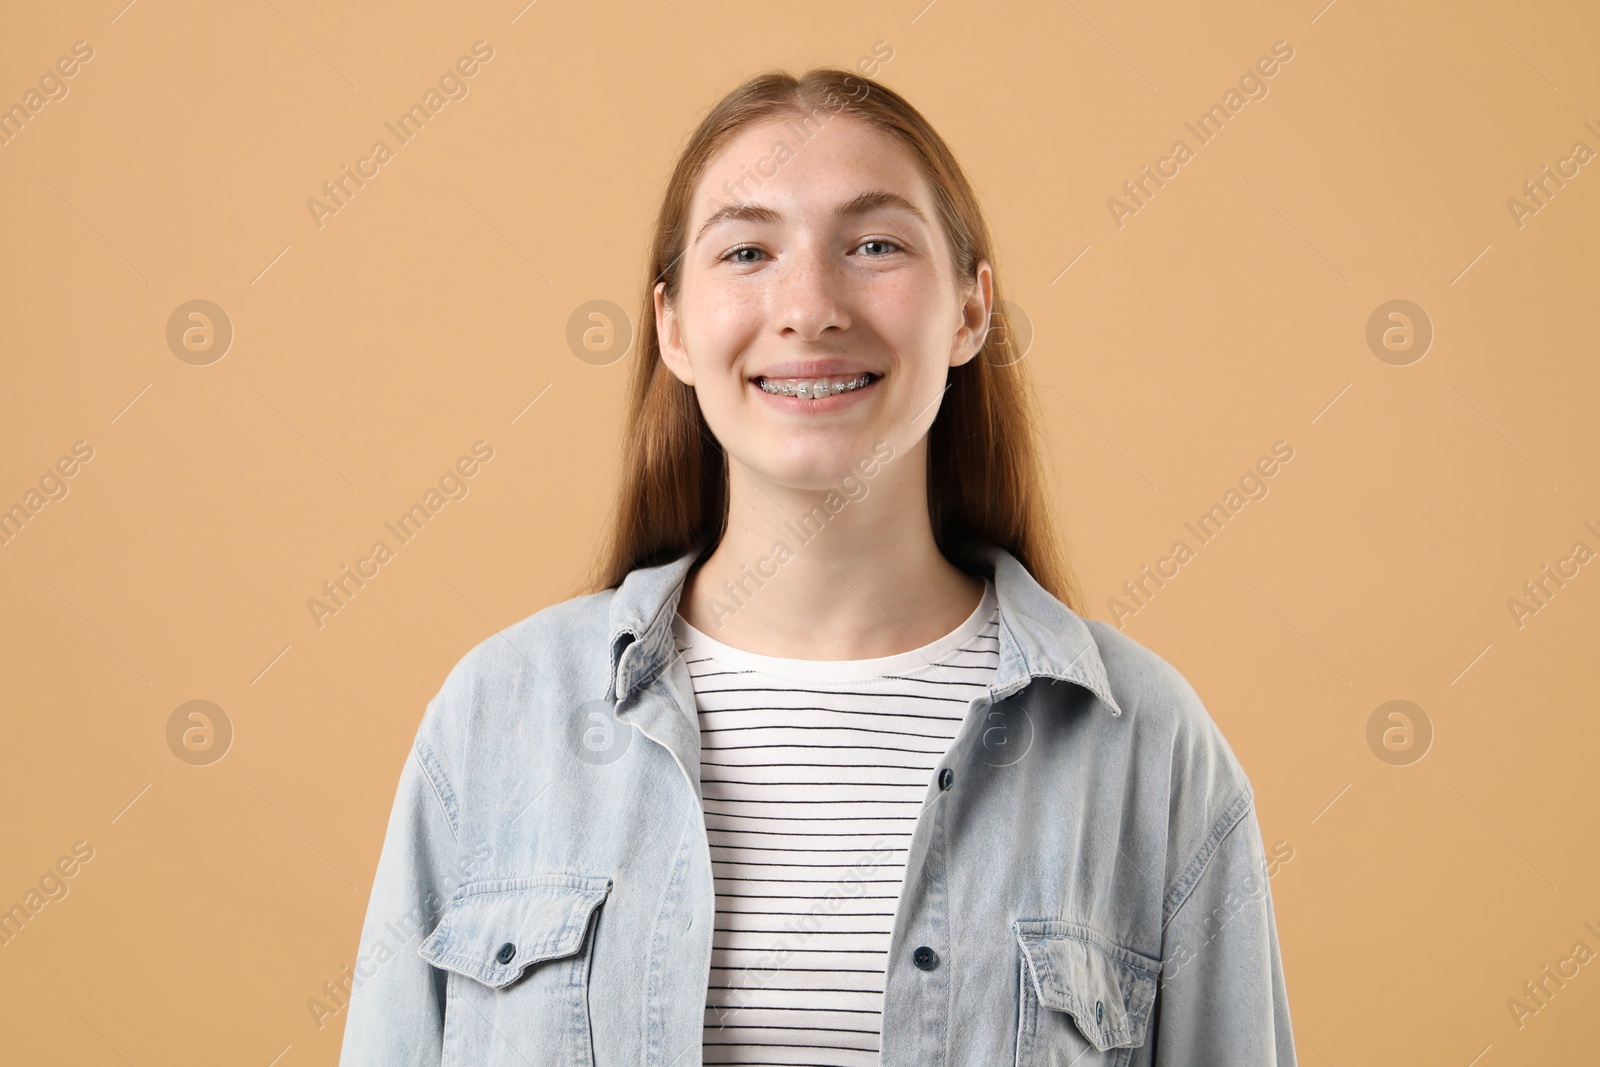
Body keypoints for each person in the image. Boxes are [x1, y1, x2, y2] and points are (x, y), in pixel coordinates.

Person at [338, 67, 1297, 1066]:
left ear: (971, 310)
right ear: (671, 326)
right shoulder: (498, 717)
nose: (809, 306)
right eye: (747, 250)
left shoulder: (1146, 746)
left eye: (874, 244)